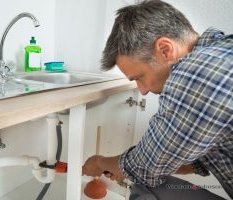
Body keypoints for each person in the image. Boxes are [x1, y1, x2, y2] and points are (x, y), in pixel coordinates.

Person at [82, 0, 233, 199]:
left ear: (165, 50)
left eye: (139, 77)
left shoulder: (200, 71)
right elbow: (204, 156)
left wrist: (100, 162)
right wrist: (150, 164)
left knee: (144, 184)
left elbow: (145, 167)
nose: (142, 91)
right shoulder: (222, 52)